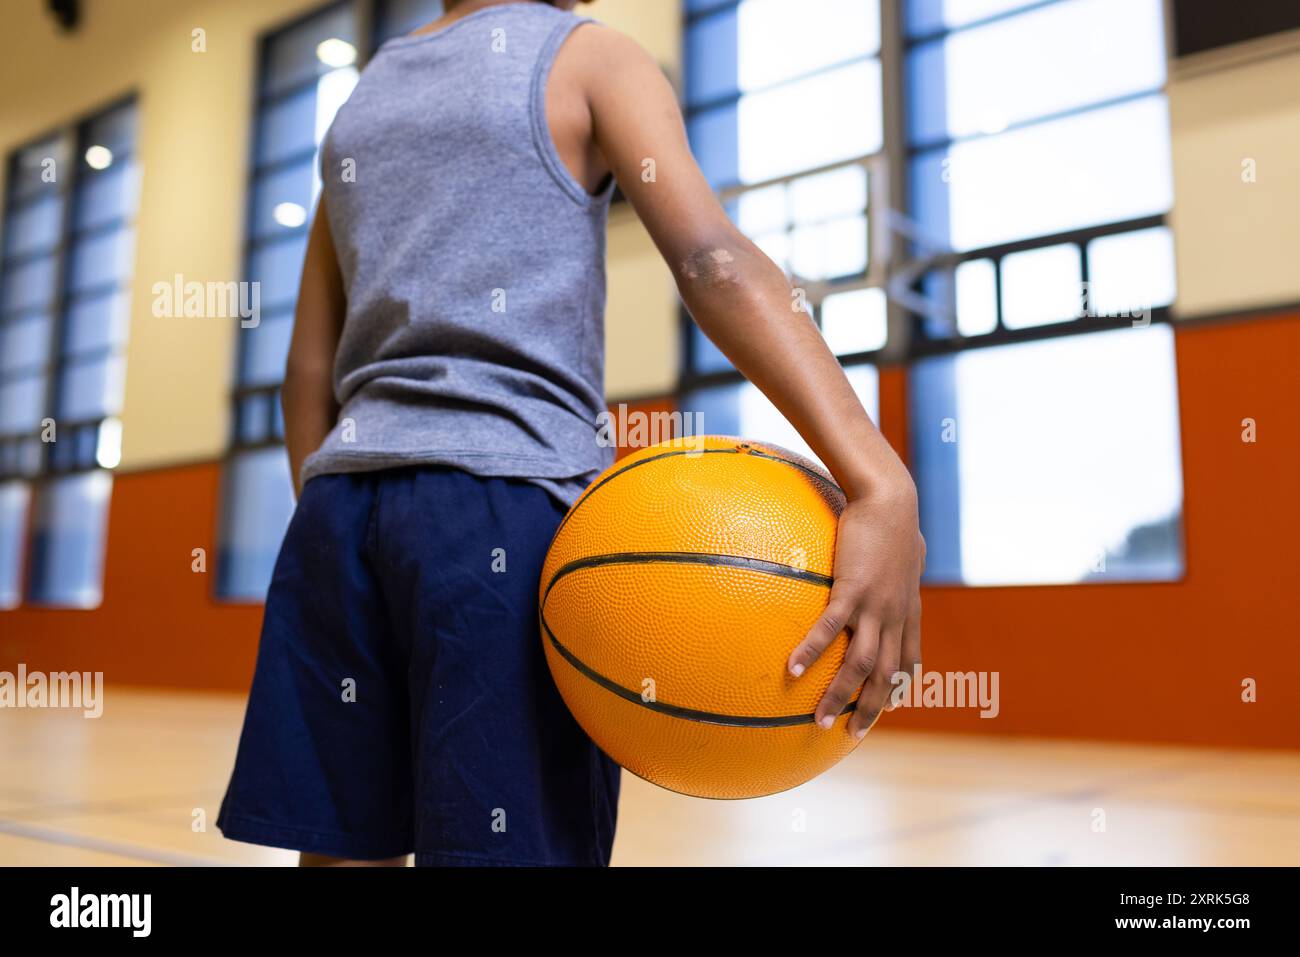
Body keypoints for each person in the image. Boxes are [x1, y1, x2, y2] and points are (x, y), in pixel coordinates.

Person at [218, 0, 924, 867]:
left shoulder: (364, 100)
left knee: (341, 855)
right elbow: (708, 258)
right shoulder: (592, 60)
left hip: (338, 510)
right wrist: (880, 482)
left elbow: (305, 371)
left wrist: (337, 523)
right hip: (499, 517)